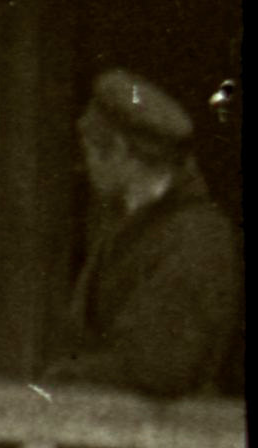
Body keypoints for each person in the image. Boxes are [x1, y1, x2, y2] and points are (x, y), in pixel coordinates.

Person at [48, 69, 241, 401]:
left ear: (121, 150)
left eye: (91, 150)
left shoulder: (194, 239)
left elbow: (159, 365)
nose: (85, 165)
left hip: (173, 443)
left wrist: (62, 377)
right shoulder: (128, 228)